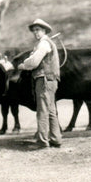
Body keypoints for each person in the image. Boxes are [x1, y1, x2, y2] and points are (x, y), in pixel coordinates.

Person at [17, 19, 62, 148]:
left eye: (38, 30)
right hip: (51, 80)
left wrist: (23, 65)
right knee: (51, 110)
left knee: (42, 111)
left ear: (44, 31)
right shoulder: (46, 43)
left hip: (44, 80)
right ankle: (56, 138)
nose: (35, 32)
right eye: (34, 30)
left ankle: (42, 141)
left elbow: (34, 62)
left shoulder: (43, 44)